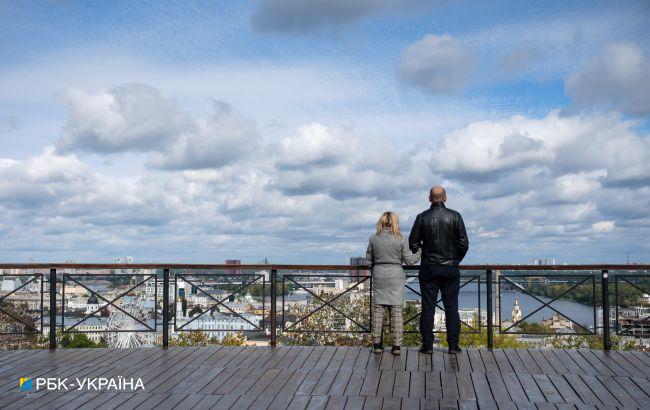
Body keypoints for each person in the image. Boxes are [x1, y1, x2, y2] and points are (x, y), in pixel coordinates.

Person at [409, 186, 469, 354]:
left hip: (428, 269)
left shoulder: (421, 218)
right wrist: (454, 260)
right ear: (445, 198)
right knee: (451, 308)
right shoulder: (455, 216)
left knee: (428, 307)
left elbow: (413, 243)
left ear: (429, 198)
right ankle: (453, 346)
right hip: (450, 269)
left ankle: (427, 346)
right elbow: (464, 244)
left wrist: (425, 253)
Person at [366, 211, 420, 355]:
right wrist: (420, 251)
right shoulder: (401, 239)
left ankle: (377, 344)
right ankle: (397, 346)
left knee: (378, 311)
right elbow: (410, 260)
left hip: (379, 275)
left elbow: (369, 260)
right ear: (395, 223)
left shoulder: (373, 238)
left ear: (381, 222)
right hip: (396, 275)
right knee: (396, 312)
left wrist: (375, 270)